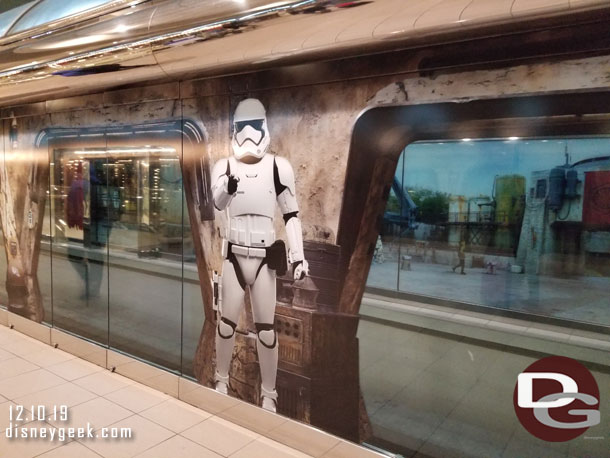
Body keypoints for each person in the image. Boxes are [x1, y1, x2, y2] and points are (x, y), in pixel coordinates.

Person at [211, 98, 308, 413]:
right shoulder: (224, 167)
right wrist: (229, 188)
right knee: (226, 324)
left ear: (265, 126)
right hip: (234, 256)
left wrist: (298, 256)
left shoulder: (279, 167)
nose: (250, 133)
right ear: (235, 129)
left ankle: (270, 394)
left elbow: (291, 214)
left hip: (265, 258)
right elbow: (217, 203)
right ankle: (221, 380)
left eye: (256, 126)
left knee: (267, 330)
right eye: (243, 127)